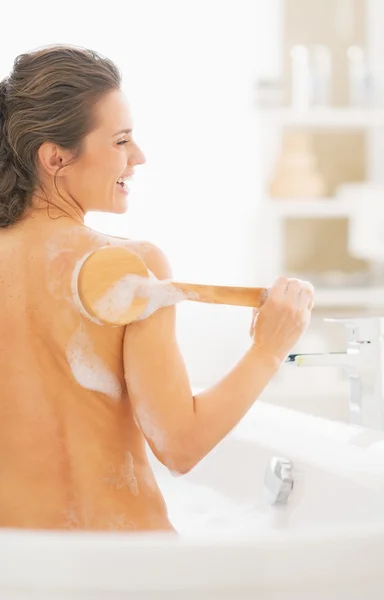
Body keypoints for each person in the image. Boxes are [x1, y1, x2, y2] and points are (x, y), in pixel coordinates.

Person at [0, 45, 314, 531]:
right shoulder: (128, 265)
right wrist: (269, 349)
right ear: (56, 156)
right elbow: (180, 446)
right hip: (132, 567)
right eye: (121, 140)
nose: (139, 157)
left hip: (24, 570)